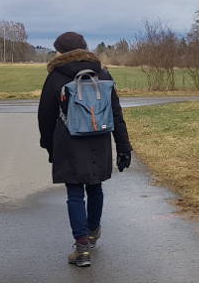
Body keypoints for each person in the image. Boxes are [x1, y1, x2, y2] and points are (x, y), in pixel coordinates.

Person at [38, 32, 132, 267]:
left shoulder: (56, 76)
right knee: (95, 187)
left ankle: (81, 249)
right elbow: (116, 113)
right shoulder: (102, 73)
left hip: (68, 140)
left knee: (75, 193)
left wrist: (49, 146)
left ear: (61, 51)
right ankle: (92, 233)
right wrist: (123, 146)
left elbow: (45, 116)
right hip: (99, 139)